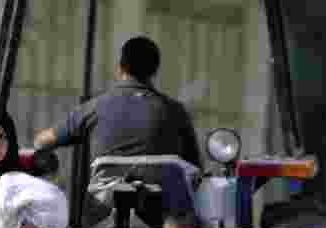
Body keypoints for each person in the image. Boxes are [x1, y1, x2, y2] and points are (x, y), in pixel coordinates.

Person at [32, 36, 202, 167]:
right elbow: (195, 166)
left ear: (120, 68)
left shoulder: (95, 107)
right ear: (155, 71)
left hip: (103, 208)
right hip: (160, 209)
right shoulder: (176, 112)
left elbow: (41, 142)